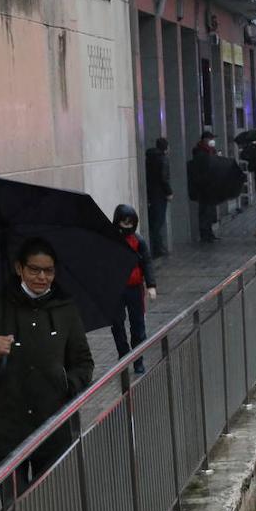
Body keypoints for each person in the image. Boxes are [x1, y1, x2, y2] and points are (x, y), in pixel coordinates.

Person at [0, 237, 94, 497]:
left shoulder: (65, 309)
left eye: (49, 271)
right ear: (19, 268)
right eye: (34, 269)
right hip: (5, 428)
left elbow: (84, 363)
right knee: (14, 508)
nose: (41, 277)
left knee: (45, 505)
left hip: (52, 425)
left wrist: (67, 382)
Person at [110, 205, 156, 375]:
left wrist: (151, 285)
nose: (127, 226)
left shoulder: (138, 241)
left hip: (135, 288)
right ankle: (123, 355)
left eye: (130, 222)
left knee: (138, 325)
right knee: (117, 324)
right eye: (124, 222)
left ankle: (138, 360)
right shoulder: (112, 240)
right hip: (116, 288)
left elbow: (147, 263)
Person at [187, 130, 219, 242]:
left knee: (210, 211)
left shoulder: (210, 151)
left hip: (211, 185)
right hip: (204, 186)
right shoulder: (199, 151)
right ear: (205, 139)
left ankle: (210, 232)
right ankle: (205, 234)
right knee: (205, 210)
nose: (212, 141)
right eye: (210, 139)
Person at [144, 137, 172, 256]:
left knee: (152, 221)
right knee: (158, 222)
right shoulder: (163, 159)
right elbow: (164, 178)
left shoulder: (148, 158)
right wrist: (169, 192)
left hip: (150, 194)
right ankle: (157, 249)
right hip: (160, 194)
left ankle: (155, 247)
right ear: (166, 148)